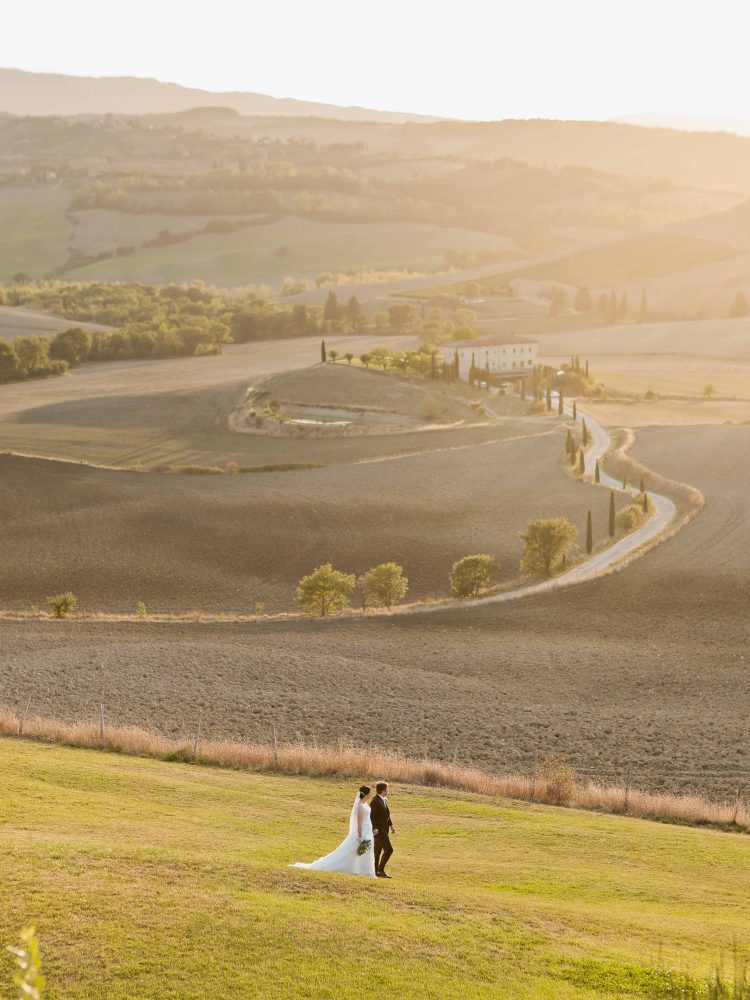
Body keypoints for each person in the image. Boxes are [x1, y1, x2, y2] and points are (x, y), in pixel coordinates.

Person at [290, 785, 376, 877]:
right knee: (351, 851)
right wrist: (359, 836)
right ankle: (355, 869)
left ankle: (365, 870)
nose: (371, 794)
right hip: (362, 831)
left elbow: (367, 820)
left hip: (368, 830)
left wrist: (372, 830)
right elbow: (359, 823)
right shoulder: (360, 806)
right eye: (370, 792)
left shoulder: (366, 805)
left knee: (366, 850)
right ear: (366, 794)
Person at [370, 781, 396, 878]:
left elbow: (386, 815)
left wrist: (391, 825)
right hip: (379, 831)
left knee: (377, 851)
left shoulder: (383, 800)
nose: (388, 790)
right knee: (389, 850)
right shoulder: (375, 801)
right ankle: (380, 870)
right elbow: (371, 816)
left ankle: (375, 871)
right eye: (387, 789)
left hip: (384, 829)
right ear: (382, 790)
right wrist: (374, 828)